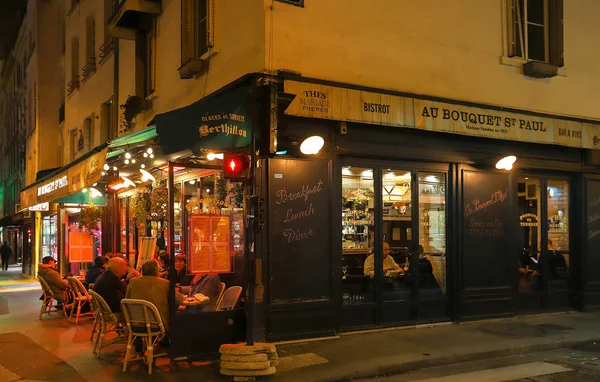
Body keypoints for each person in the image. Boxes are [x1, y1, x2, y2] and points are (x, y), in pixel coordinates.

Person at [126, 259, 184, 331]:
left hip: (135, 324)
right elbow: (179, 300)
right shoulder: (165, 283)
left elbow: (127, 300)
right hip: (158, 324)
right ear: (157, 271)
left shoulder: (133, 282)